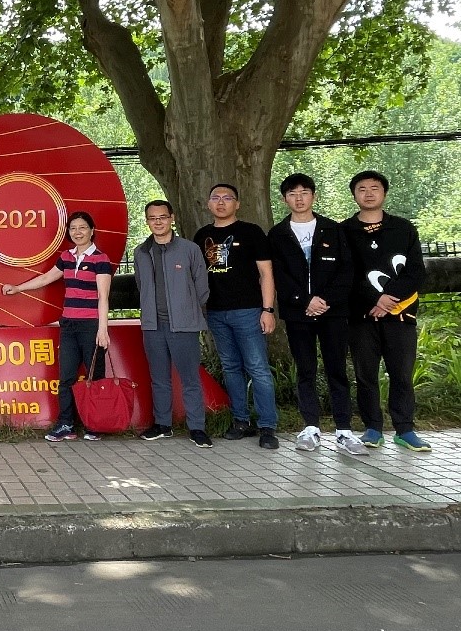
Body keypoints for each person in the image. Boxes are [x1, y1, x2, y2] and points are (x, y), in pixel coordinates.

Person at [267, 174, 367, 455]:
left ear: (314, 196)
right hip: (298, 313)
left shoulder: (333, 229)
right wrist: (305, 301)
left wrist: (325, 301)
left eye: (304, 192)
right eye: (292, 193)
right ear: (284, 199)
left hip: (333, 312)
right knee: (306, 370)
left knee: (337, 369)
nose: (299, 198)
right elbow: (279, 274)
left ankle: (344, 430)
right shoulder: (277, 234)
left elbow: (346, 270)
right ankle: (310, 427)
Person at [2, 211, 114, 442]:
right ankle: (66, 424)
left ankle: (94, 424)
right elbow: (46, 278)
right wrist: (18, 288)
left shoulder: (100, 259)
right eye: (73, 228)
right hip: (69, 325)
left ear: (92, 230)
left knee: (94, 376)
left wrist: (102, 330)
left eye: (82, 227)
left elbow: (103, 296)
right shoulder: (66, 256)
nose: (78, 232)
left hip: (91, 325)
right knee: (66, 377)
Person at [341, 170, 430, 451]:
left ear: (384, 193)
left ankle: (405, 429)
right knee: (365, 374)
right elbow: (345, 274)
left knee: (401, 373)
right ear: (354, 195)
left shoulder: (403, 228)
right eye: (362, 189)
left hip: (400, 314)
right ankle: (372, 428)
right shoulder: (343, 231)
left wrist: (388, 299)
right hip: (361, 316)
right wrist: (375, 301)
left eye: (375, 188)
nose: (368, 193)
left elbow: (415, 271)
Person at [193, 184, 280, 450]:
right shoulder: (202, 235)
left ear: (237, 204)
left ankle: (267, 426)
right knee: (231, 367)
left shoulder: (251, 232)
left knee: (258, 368)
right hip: (216, 312)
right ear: (209, 204)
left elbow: (266, 274)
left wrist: (268, 310)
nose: (221, 202)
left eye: (227, 198)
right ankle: (241, 420)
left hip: (249, 311)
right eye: (215, 198)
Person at [133, 200, 213, 448]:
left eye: (162, 217)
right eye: (152, 218)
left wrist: (186, 309)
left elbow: (202, 288)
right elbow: (140, 285)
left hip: (184, 325)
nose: (158, 222)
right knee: (159, 378)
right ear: (147, 221)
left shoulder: (189, 249)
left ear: (172, 218)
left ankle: (197, 427)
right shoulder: (141, 252)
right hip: (153, 325)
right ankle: (162, 425)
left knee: (190, 378)